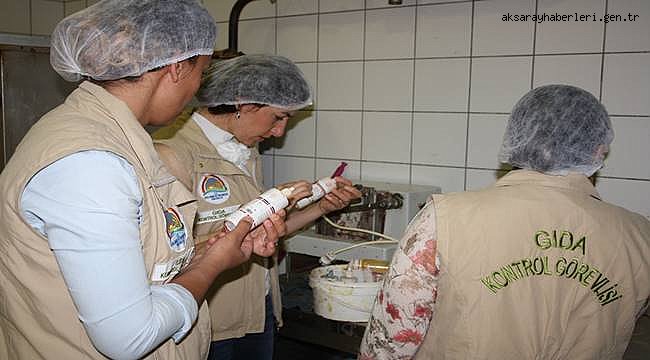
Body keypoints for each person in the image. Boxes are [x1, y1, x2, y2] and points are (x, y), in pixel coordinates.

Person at [0, 1, 287, 359]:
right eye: (202, 71)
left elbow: (136, 265)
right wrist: (211, 268)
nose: (198, 89)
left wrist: (205, 253)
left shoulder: (113, 139)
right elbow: (129, 337)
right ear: (177, 68)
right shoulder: (90, 163)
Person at [359, 84, 650, 359]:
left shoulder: (444, 218)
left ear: (517, 139)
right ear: (599, 150)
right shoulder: (640, 236)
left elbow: (390, 340)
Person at [154, 54, 362, 360]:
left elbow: (261, 234)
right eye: (279, 117)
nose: (280, 132)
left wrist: (319, 207)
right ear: (243, 103)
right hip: (210, 322)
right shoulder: (172, 153)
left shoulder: (245, 149)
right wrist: (267, 201)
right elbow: (162, 258)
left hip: (258, 309)